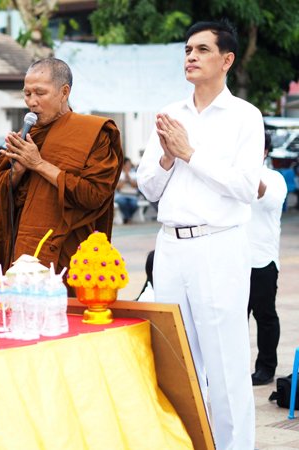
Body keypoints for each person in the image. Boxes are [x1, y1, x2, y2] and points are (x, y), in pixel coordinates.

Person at [136, 21, 264, 450]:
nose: (190, 56)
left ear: (226, 60)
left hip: (219, 243)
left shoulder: (246, 116)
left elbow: (247, 187)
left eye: (202, 50)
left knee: (226, 364)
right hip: (171, 245)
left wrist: (191, 152)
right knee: (175, 360)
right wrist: (170, 157)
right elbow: (148, 186)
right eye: (188, 49)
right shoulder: (169, 113)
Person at [0, 58, 123, 275]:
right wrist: (17, 174)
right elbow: (0, 198)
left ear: (64, 92)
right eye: (27, 94)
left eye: (40, 93)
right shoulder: (29, 136)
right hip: (22, 252)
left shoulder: (93, 133)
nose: (32, 102)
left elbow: (94, 195)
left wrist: (39, 164)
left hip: (69, 252)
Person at [248, 133, 287, 386]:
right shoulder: (231, 174)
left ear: (265, 152)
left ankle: (266, 367)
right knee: (234, 316)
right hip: (232, 259)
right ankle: (234, 366)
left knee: (265, 316)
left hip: (263, 260)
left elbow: (268, 199)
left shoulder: (275, 179)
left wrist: (248, 174)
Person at [115, 157, 139, 224]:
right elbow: (118, 187)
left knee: (134, 205)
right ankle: (128, 218)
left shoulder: (134, 173)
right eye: (127, 164)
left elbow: (136, 185)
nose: (129, 166)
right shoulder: (119, 174)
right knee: (122, 202)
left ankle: (127, 218)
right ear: (123, 165)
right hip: (121, 195)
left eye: (129, 164)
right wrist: (125, 180)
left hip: (132, 195)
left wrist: (129, 178)